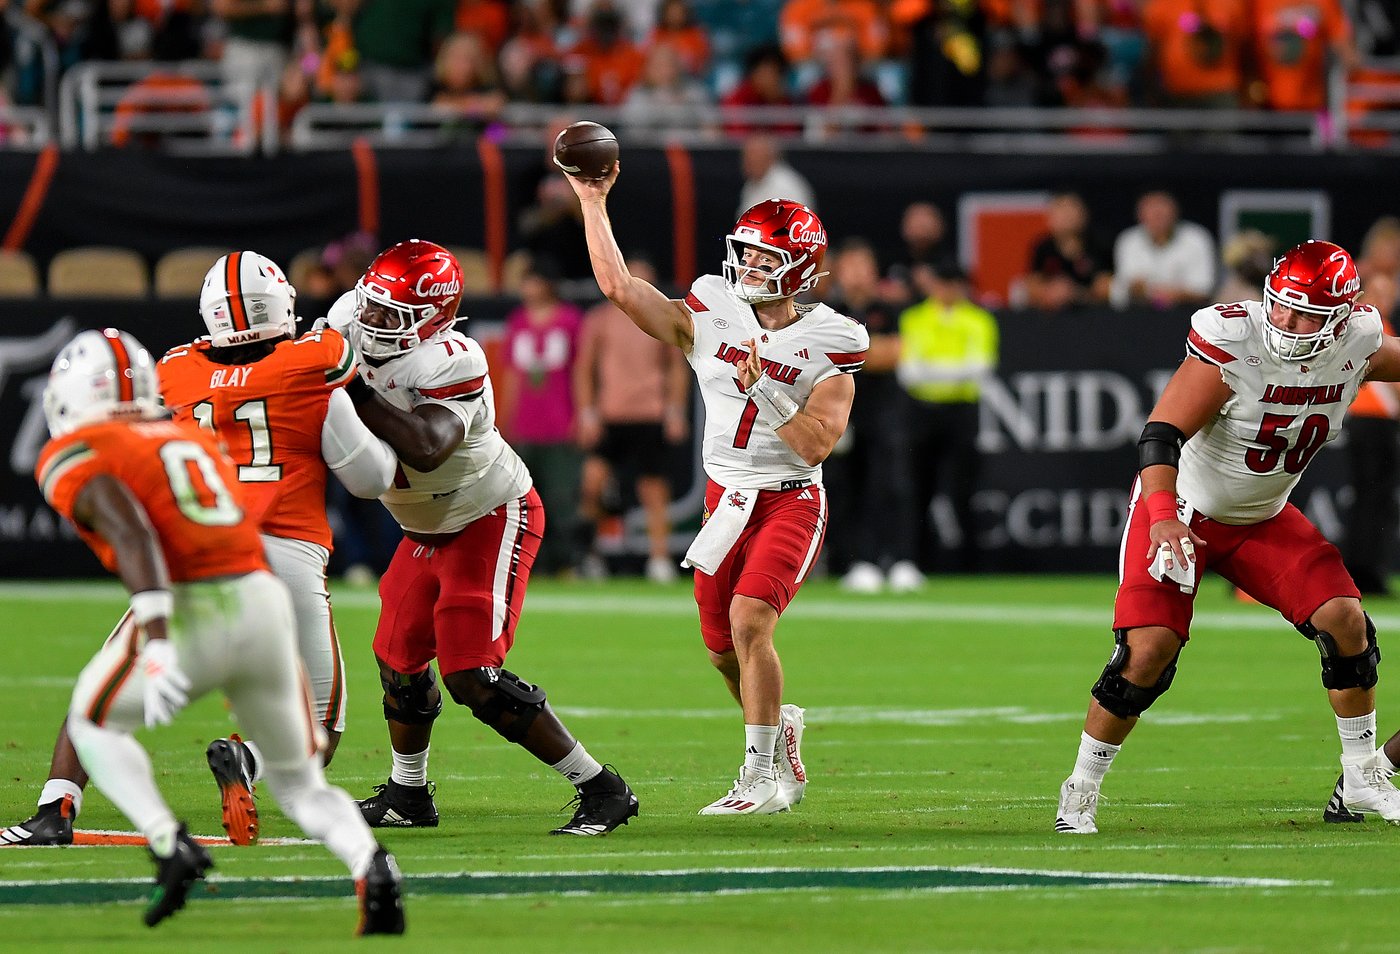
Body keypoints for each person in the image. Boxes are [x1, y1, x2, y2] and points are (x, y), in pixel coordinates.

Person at [2, 251, 397, 848]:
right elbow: (371, 481)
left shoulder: (177, 372)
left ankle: (54, 806)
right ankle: (250, 763)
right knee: (319, 721)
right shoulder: (312, 369)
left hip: (193, 556)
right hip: (282, 561)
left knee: (100, 692)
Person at [1054, 240, 1400, 835]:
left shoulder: (1357, 341)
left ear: (1340, 318)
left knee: (1347, 621)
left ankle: (1363, 775)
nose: (1287, 323)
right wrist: (1162, 516)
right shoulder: (1234, 342)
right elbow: (1160, 434)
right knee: (1148, 652)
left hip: (1263, 516)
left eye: (1306, 314)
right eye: (1283, 307)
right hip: (1185, 509)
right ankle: (1080, 787)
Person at [564, 161, 869, 815]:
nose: (749, 268)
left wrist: (763, 385)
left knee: (750, 622)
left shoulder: (834, 339)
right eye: (747, 255)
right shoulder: (711, 311)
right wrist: (592, 202)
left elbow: (818, 444)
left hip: (789, 496)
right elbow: (619, 287)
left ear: (799, 268)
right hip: (723, 499)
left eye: (765, 259)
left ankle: (759, 776)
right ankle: (776, 728)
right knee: (721, 651)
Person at [325, 239, 639, 836]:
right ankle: (408, 794)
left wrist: (350, 386)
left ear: (433, 317)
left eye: (391, 315)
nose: (371, 322)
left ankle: (602, 788)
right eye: (370, 305)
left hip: (488, 515)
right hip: (421, 525)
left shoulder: (453, 358)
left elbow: (425, 443)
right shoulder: (348, 320)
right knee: (397, 659)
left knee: (470, 674)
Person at [572, 254, 690, 583]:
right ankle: (590, 557)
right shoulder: (599, 319)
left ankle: (659, 559)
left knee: (654, 489)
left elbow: (676, 368)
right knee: (592, 484)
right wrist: (587, 413)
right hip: (611, 414)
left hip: (649, 413)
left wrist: (675, 411)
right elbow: (584, 369)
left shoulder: (661, 318)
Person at [897, 260, 999, 573]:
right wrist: (953, 373)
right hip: (922, 413)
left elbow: (980, 369)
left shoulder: (979, 320)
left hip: (961, 415)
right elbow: (909, 374)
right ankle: (918, 562)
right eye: (944, 283)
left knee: (963, 490)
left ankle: (969, 565)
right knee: (919, 488)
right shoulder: (914, 318)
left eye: (954, 284)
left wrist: (933, 372)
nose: (948, 291)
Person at [1109, 190, 1216, 310]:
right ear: (1140, 215)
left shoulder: (1197, 238)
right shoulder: (1128, 240)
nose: (1158, 217)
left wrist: (1172, 294)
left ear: (1175, 213)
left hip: (1188, 313)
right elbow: (1125, 287)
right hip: (1138, 314)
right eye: (1152, 213)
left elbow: (1203, 290)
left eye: (1162, 213)